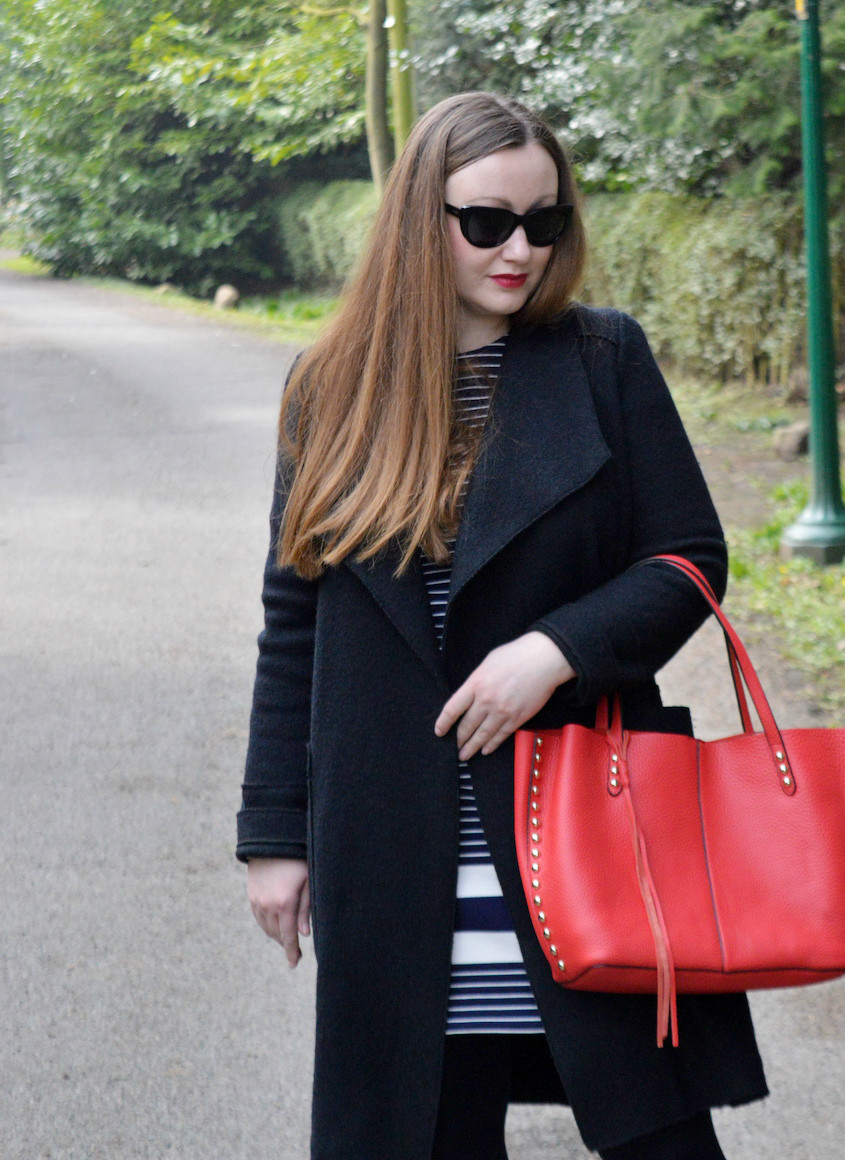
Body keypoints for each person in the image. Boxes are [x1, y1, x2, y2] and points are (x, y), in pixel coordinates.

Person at [236, 91, 767, 1160]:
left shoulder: (602, 359)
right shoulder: (330, 387)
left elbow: (687, 559)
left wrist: (556, 650)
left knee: (657, 1131)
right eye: (485, 221)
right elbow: (292, 618)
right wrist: (272, 835)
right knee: (422, 1124)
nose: (519, 248)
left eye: (545, 221)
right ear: (417, 219)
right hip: (393, 827)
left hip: (578, 812)